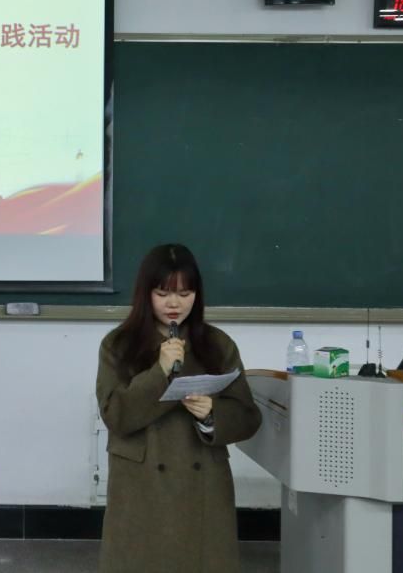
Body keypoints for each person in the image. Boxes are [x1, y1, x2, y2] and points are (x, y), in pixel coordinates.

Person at [95, 244, 262, 573]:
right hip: (141, 483)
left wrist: (212, 415)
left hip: (201, 484)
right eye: (163, 294)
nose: (174, 304)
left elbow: (248, 416)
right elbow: (115, 415)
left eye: (185, 294)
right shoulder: (118, 345)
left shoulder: (217, 344)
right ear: (146, 294)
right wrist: (159, 371)